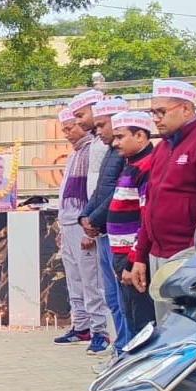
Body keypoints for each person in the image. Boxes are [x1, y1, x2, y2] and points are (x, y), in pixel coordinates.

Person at [131, 80, 196, 318]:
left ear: (186, 109)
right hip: (158, 255)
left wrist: (193, 259)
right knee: (166, 329)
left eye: (161, 112)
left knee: (189, 329)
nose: (156, 119)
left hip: (186, 258)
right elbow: (150, 204)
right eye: (152, 112)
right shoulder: (162, 148)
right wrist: (141, 256)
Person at [52, 108, 111, 356]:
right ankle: (81, 326)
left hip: (83, 226)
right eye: (64, 129)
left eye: (71, 127)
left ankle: (100, 331)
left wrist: (89, 231)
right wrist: (61, 226)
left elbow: (93, 192)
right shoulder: (74, 154)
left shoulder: (94, 151)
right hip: (68, 225)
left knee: (91, 281)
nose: (67, 133)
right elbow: (65, 194)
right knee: (74, 279)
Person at [79, 93, 131, 355]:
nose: (97, 131)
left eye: (101, 125)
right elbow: (100, 190)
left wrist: (94, 218)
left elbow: (119, 193)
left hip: (118, 233)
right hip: (103, 231)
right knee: (111, 295)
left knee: (122, 297)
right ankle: (120, 346)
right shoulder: (110, 152)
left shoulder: (126, 155)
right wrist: (84, 216)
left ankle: (126, 349)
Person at [104, 112, 158, 341]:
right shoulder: (132, 164)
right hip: (122, 253)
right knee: (131, 316)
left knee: (142, 324)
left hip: (133, 257)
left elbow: (146, 218)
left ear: (140, 136)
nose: (115, 143)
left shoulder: (146, 167)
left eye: (120, 137)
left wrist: (133, 260)